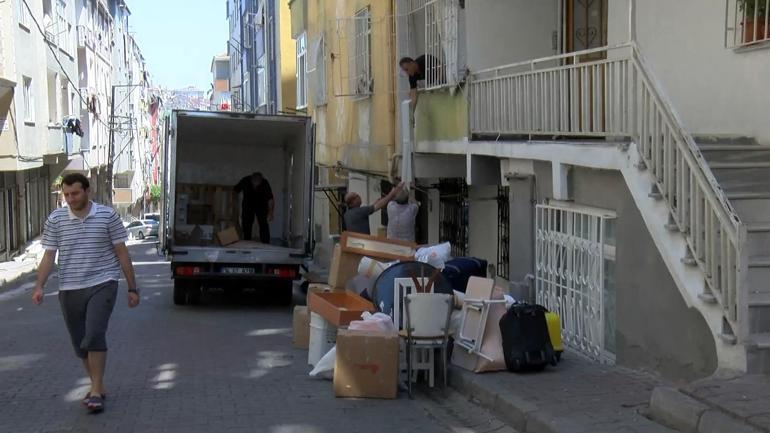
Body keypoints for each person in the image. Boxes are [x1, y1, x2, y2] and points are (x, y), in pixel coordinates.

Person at [31, 173, 140, 414]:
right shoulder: (56, 219)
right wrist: (39, 285)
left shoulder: (107, 215)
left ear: (87, 191)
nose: (70, 199)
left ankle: (95, 392)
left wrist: (132, 288)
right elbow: (49, 255)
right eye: (66, 195)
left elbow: (122, 252)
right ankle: (97, 386)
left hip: (103, 282)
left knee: (93, 334)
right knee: (80, 344)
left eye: (75, 194)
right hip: (69, 287)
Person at [234, 172, 274, 243]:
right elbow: (235, 190)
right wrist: (234, 205)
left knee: (263, 223)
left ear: (261, 180)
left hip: (261, 205)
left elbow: (270, 199)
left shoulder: (264, 183)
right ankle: (246, 241)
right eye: (254, 183)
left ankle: (266, 243)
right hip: (248, 205)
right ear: (251, 179)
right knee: (246, 224)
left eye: (258, 183)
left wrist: (270, 212)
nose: (256, 185)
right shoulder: (245, 180)